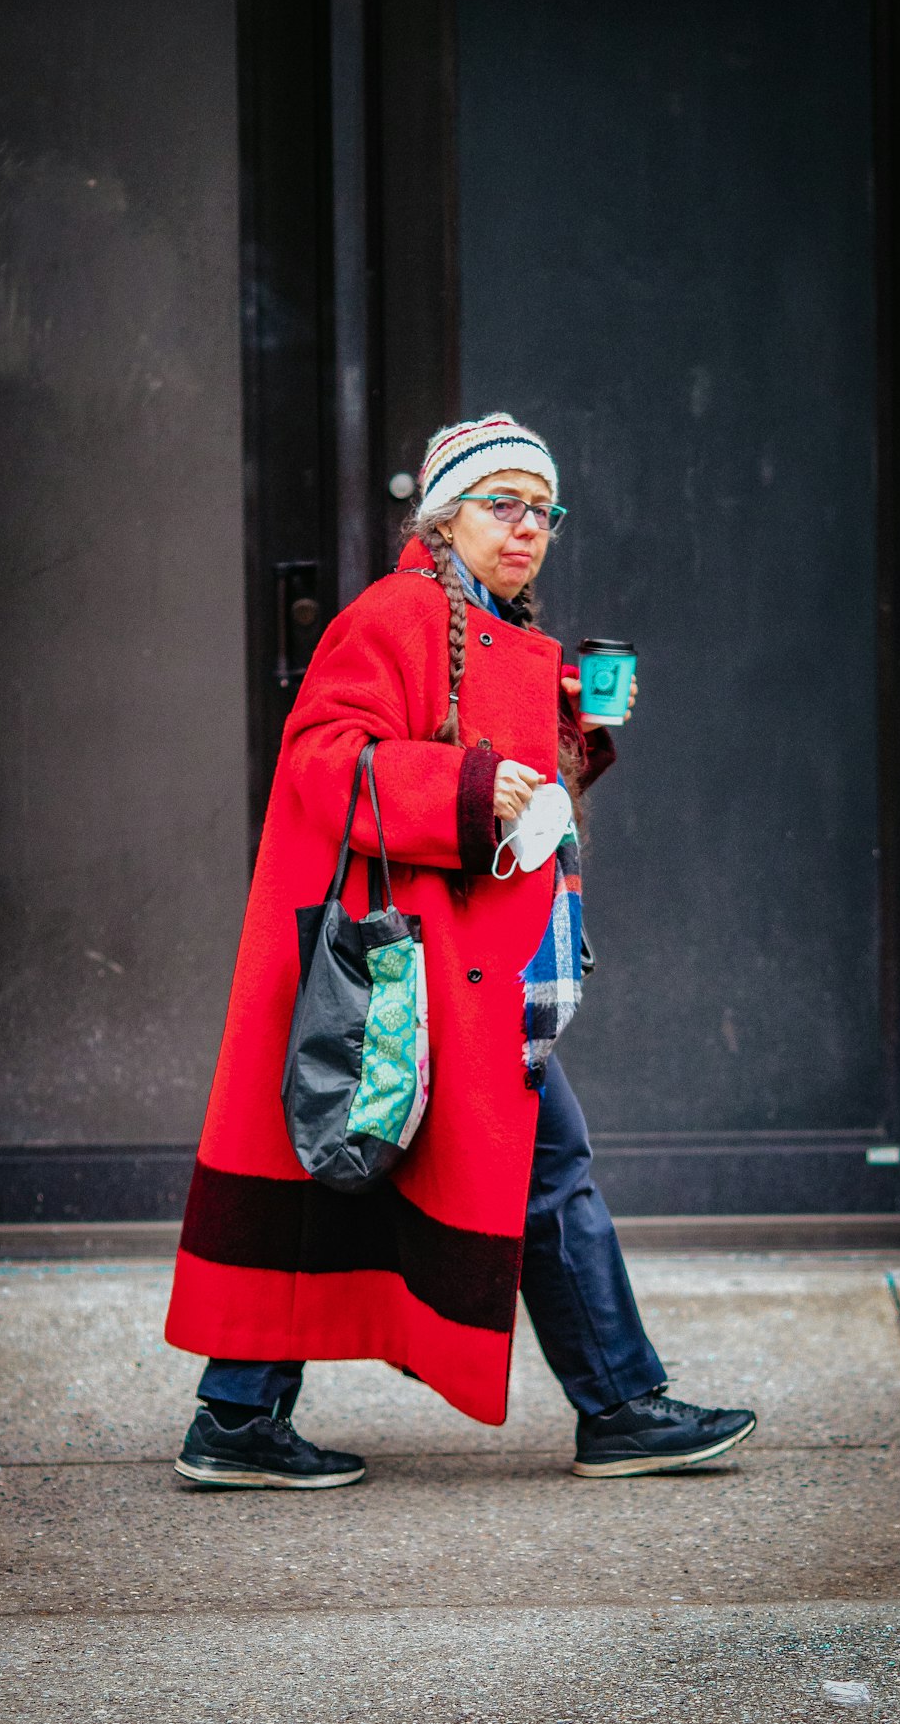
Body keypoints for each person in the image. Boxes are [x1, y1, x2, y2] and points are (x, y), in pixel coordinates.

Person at [165, 412, 756, 1489]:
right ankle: (618, 1404)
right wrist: (477, 787)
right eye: (504, 503)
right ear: (445, 514)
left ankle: (241, 1415)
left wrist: (567, 732)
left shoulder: (485, 622)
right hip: (417, 968)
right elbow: (322, 762)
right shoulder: (397, 612)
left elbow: (484, 772)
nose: (528, 526)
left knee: (377, 1169)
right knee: (481, 1161)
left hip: (463, 969)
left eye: (544, 510)